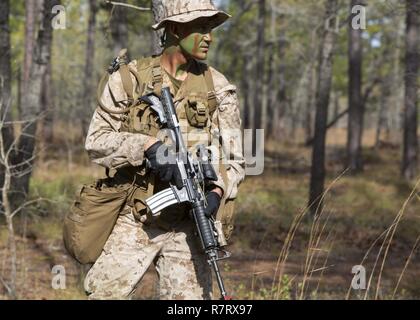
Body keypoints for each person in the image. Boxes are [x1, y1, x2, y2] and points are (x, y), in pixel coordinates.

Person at [83, 0, 245, 300]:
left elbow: (236, 160)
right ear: (173, 28)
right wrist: (146, 146)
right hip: (138, 216)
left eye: (210, 28)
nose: (209, 36)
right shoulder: (129, 79)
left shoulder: (218, 88)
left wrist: (217, 191)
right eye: (200, 27)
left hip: (189, 225)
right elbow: (96, 140)